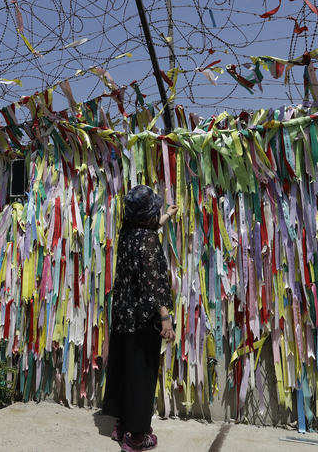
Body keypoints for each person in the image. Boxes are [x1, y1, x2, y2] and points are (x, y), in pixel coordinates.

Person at [102, 184, 177, 452]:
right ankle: (136, 436)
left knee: (124, 370)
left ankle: (121, 425)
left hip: (123, 317)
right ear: (146, 212)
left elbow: (149, 229)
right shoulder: (146, 240)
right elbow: (152, 281)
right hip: (142, 319)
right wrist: (165, 317)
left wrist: (166, 216)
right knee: (141, 374)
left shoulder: (128, 233)